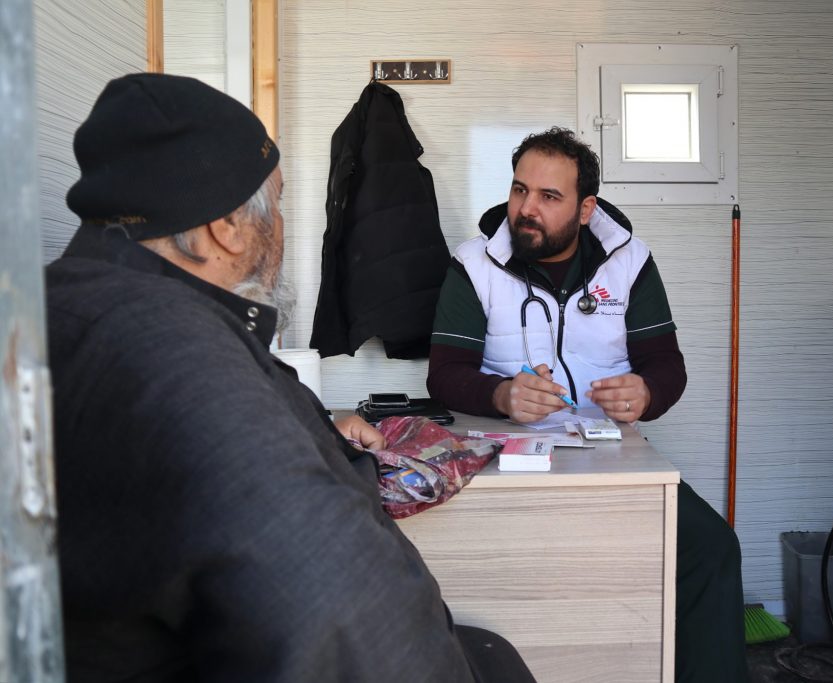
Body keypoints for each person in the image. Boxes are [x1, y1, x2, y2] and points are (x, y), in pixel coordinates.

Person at [46, 72, 534, 683]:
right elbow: (343, 626)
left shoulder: (56, 308)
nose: (279, 224)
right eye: (275, 203)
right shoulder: (180, 358)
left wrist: (314, 432)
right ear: (227, 225)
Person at [428, 127, 749, 682]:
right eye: (520, 189)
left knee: (711, 548)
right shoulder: (474, 262)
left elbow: (667, 366)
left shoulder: (630, 262)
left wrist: (646, 393)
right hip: (503, 456)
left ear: (585, 209)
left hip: (610, 453)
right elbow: (444, 375)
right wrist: (501, 394)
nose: (526, 209)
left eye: (549, 196)